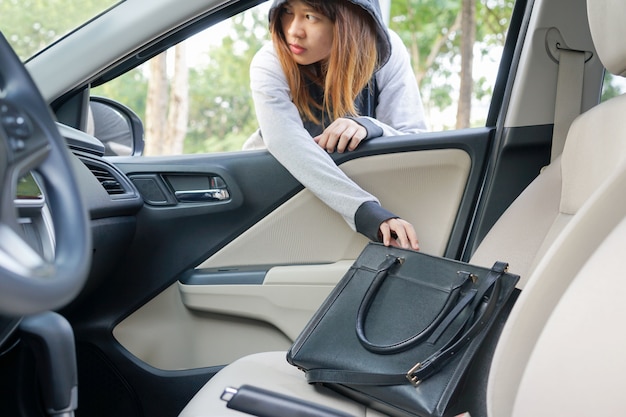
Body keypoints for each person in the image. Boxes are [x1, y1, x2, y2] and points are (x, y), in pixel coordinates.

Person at [244, 0, 427, 250]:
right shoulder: (270, 61)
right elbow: (287, 143)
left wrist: (369, 126)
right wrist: (366, 212)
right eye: (287, 11)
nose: (293, 30)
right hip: (275, 200)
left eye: (310, 16)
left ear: (347, 22)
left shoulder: (384, 50)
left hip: (345, 206)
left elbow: (413, 136)